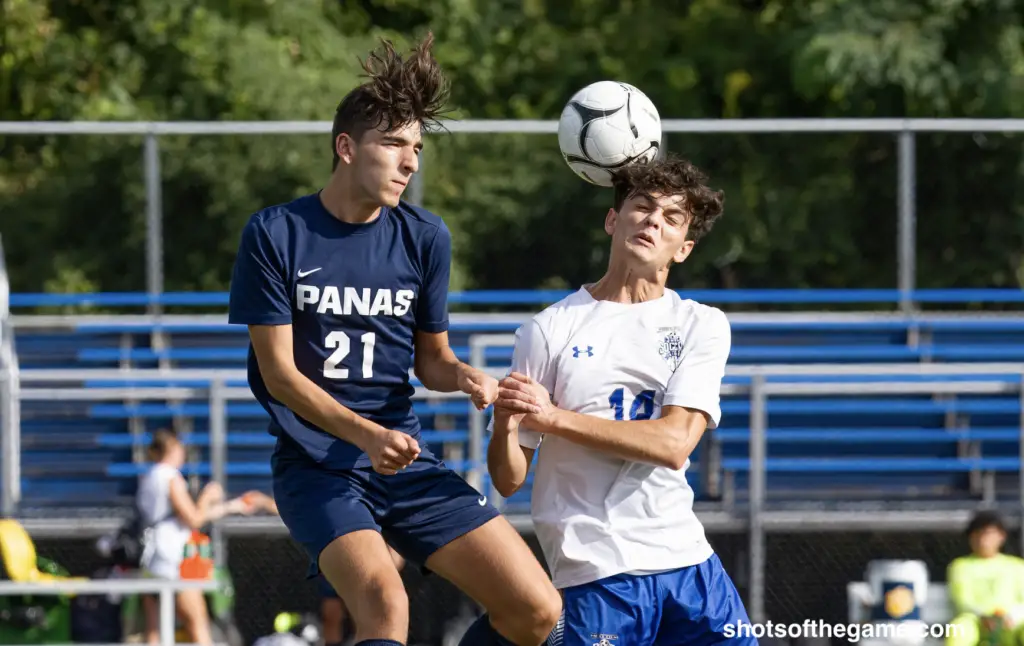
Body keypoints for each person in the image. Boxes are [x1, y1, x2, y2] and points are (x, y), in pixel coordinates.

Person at [226, 33, 561, 646]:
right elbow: (279, 375)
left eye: (417, 147)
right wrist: (368, 435)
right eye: (394, 144)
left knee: (537, 610)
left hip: (403, 458)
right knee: (387, 599)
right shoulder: (275, 233)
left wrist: (465, 377)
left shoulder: (426, 237)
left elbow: (432, 360)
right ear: (346, 147)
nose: (411, 162)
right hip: (319, 467)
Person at [487, 155, 757, 645]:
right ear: (614, 219)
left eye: (672, 218)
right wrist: (507, 423)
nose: (654, 221)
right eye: (642, 207)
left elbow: (675, 443)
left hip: (687, 563)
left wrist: (553, 418)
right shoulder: (548, 330)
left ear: (684, 249)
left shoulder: (703, 324)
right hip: (595, 570)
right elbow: (508, 479)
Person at [136, 429, 252, 646]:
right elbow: (194, 519)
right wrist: (208, 497)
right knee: (198, 623)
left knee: (153, 629)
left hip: (151, 557)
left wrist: (229, 507)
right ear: (172, 449)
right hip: (173, 558)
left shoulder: (149, 476)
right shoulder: (170, 477)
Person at [947, 510, 1024, 646]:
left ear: (1001, 536)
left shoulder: (1017, 566)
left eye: (988, 534)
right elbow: (963, 602)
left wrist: (1012, 617)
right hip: (977, 623)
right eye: (978, 534)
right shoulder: (959, 566)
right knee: (960, 629)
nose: (983, 540)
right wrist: (985, 617)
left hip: (1011, 624)